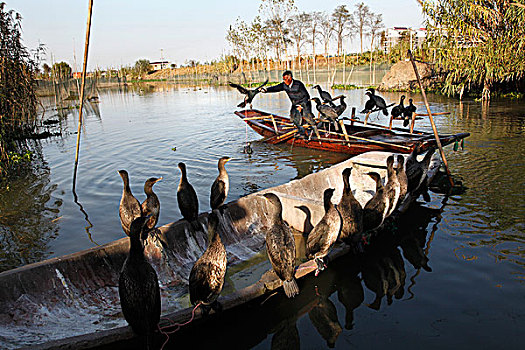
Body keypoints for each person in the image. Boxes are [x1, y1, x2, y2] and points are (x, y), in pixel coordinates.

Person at [262, 71, 319, 138]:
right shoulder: (284, 85)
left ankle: (316, 133)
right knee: (293, 118)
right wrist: (266, 90)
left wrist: (301, 106)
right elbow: (276, 88)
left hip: (304, 103)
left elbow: (306, 96)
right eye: (283, 79)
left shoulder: (298, 84)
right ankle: (303, 134)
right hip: (295, 104)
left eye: (285, 79)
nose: (284, 81)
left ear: (290, 78)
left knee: (307, 117)